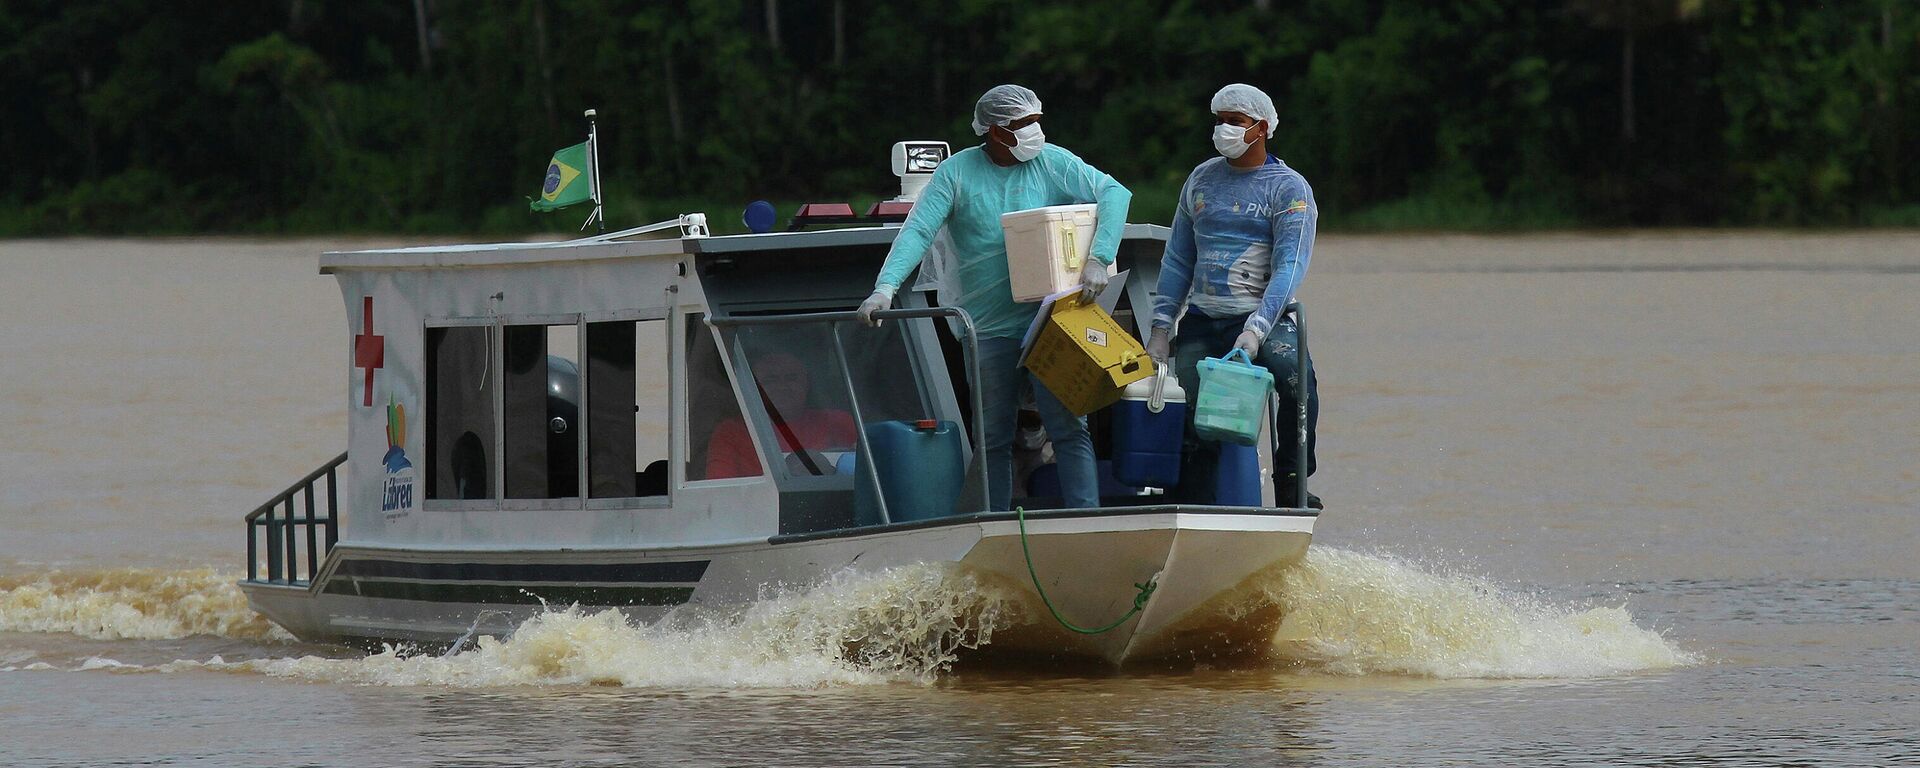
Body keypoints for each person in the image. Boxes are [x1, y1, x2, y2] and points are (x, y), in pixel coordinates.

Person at [856, 84, 1132, 511]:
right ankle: (995, 526)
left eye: (1037, 122)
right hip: (986, 326)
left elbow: (1115, 193)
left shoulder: (1051, 161)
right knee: (992, 437)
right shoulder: (956, 173)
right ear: (995, 131)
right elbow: (919, 230)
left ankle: (1085, 521)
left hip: (1053, 320)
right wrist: (885, 288)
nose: (1035, 132)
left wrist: (1100, 256)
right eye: (1024, 125)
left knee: (1069, 427)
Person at [1146, 83, 1322, 509]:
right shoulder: (1201, 180)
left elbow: (1289, 267)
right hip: (1204, 319)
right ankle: (1193, 506)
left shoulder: (1289, 189)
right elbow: (1177, 260)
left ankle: (1291, 484)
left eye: (1235, 121)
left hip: (1265, 319)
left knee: (1299, 385)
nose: (1223, 128)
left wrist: (1257, 329)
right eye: (1219, 120)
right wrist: (1160, 327)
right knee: (1189, 408)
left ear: (1260, 128)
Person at [706, 351, 857, 480]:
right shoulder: (732, 432)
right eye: (771, 379)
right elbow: (720, 490)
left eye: (791, 378)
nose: (782, 387)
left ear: (807, 383)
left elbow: (869, 479)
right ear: (753, 387)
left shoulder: (838, 423)